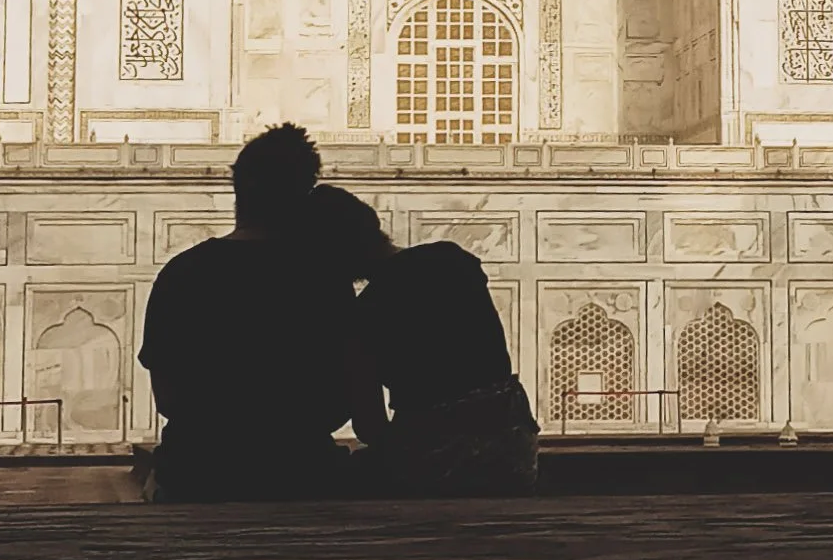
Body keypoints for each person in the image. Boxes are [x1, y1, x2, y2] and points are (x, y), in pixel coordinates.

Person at [138, 124, 371, 499]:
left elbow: (169, 399)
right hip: (300, 472)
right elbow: (341, 400)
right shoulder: (321, 279)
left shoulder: (182, 274)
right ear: (304, 195)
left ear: (238, 189)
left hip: (197, 473)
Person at [301, 188, 538, 497]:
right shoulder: (454, 261)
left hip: (438, 465)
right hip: (513, 454)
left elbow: (370, 427)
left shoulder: (366, 313)